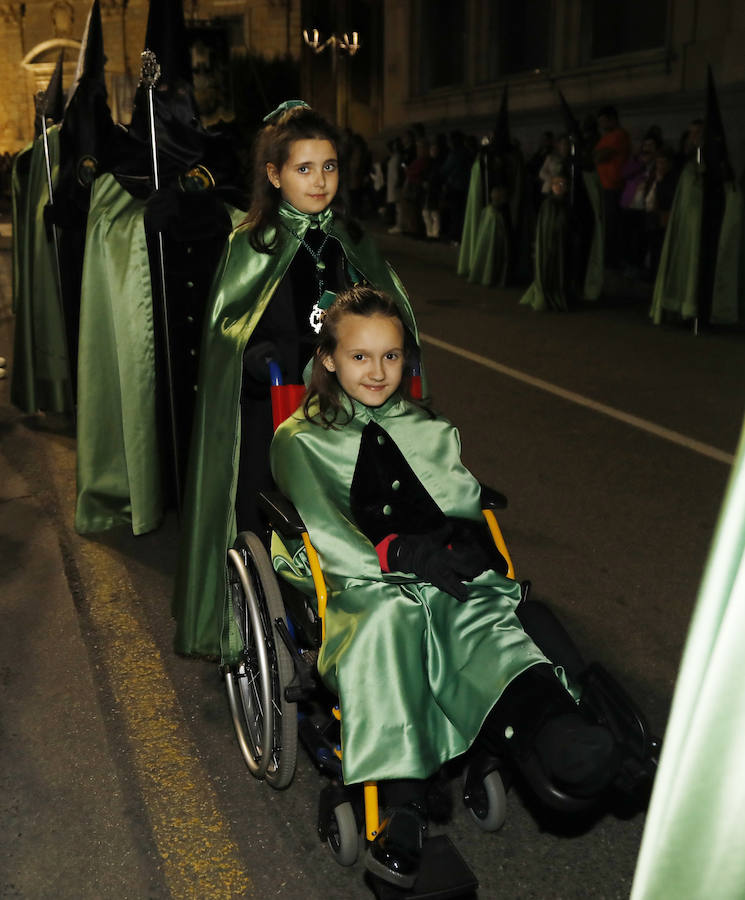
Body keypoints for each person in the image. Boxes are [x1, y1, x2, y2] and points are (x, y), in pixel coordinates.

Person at [270, 286, 620, 889]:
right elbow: (325, 526)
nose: (378, 372)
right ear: (328, 359)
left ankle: (551, 728)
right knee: (391, 624)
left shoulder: (427, 426)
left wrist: (459, 551)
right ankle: (404, 807)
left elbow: (460, 501)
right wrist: (399, 553)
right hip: (357, 582)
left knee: (480, 612)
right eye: (359, 357)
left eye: (392, 356)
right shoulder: (300, 438)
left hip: (440, 569)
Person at [172, 102, 419, 661]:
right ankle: (261, 620)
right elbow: (228, 329)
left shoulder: (351, 239)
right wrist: (255, 352)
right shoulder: (252, 242)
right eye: (303, 169)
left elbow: (390, 312)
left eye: (329, 167)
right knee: (271, 513)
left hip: (350, 402)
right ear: (274, 174)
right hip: (276, 405)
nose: (318, 181)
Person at [593, 105, 631, 269]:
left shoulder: (619, 135)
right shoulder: (607, 137)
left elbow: (598, 155)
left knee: (613, 227)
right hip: (606, 186)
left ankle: (612, 263)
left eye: (603, 121)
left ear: (612, 119)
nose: (601, 125)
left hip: (614, 188)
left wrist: (596, 155)